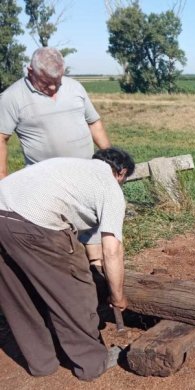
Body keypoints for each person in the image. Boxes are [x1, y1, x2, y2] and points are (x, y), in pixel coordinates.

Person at [0, 147, 134, 381]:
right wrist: (118, 295)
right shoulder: (110, 186)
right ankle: (91, 362)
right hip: (35, 224)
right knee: (74, 290)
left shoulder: (70, 167)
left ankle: (42, 362)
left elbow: (88, 236)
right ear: (121, 173)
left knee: (18, 293)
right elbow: (112, 250)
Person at [0, 47, 111, 179]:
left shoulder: (75, 87)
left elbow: (94, 123)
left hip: (86, 175)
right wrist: (3, 179)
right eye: (45, 82)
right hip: (44, 181)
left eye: (57, 81)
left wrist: (112, 159)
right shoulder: (12, 97)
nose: (53, 88)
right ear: (30, 71)